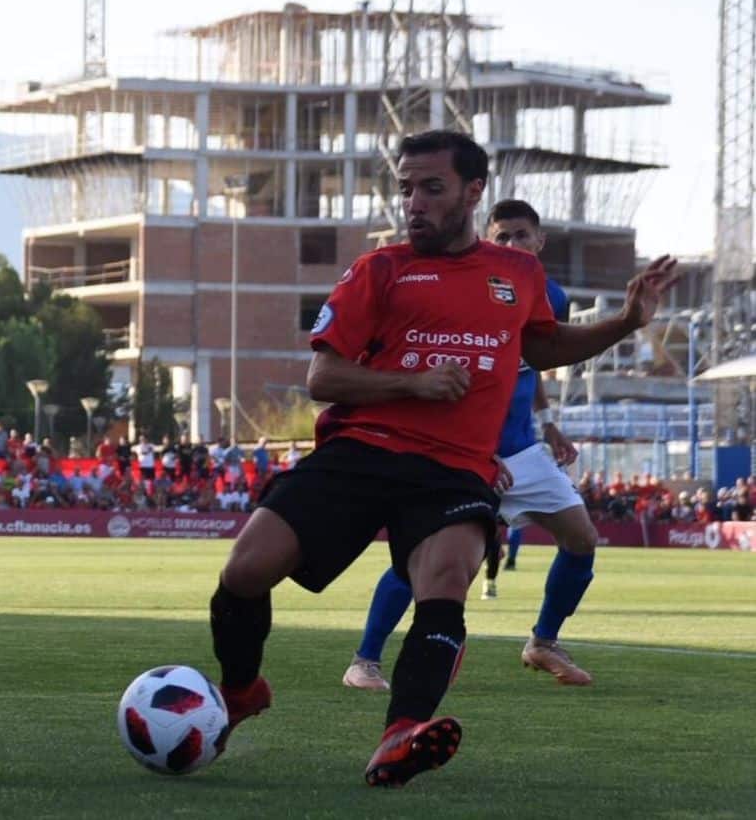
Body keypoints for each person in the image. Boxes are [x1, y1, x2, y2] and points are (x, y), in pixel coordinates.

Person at [206, 129, 677, 788]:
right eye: (406, 189)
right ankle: (240, 690)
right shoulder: (382, 269)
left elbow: (543, 347)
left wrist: (625, 323)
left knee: (446, 578)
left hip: (454, 467)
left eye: (431, 188)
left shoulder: (517, 273)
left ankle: (402, 731)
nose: (414, 203)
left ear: (472, 192)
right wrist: (414, 383)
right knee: (244, 571)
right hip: (360, 451)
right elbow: (324, 378)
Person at [343, 198, 602, 697]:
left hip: (523, 452)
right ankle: (365, 660)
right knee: (417, 562)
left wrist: (548, 424)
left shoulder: (551, 296)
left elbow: (531, 361)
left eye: (520, 235)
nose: (510, 245)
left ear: (539, 241)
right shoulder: (472, 288)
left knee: (582, 538)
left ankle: (543, 642)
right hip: (463, 451)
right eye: (501, 236)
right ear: (486, 238)